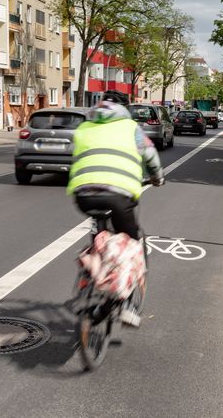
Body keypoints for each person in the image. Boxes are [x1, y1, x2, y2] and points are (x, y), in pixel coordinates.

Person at [67, 89, 164, 326]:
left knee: (99, 234)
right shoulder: (132, 129)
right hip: (119, 196)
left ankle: (91, 273)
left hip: (83, 195)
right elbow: (150, 155)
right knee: (131, 244)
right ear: (125, 110)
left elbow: (78, 156)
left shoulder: (83, 127)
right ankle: (127, 304)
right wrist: (157, 178)